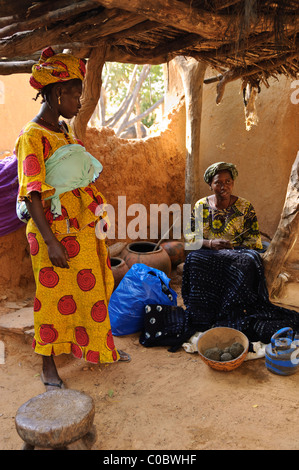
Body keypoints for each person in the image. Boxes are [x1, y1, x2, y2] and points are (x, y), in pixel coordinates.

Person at [15, 47, 130, 391]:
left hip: (81, 228)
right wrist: (50, 242)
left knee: (92, 290)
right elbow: (33, 193)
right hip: (52, 232)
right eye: (76, 95)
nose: (79, 102)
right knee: (51, 297)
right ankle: (48, 365)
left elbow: (80, 180)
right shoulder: (31, 137)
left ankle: (98, 346)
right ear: (56, 93)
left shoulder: (63, 132)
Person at [182, 161, 299, 345]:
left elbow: (253, 242)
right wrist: (211, 243)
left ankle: (235, 311)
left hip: (237, 253)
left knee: (248, 262)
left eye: (228, 182)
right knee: (194, 259)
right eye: (218, 182)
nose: (223, 186)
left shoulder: (245, 207)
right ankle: (202, 313)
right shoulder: (200, 206)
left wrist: (233, 248)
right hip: (209, 252)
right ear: (210, 185)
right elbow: (190, 239)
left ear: (233, 183)